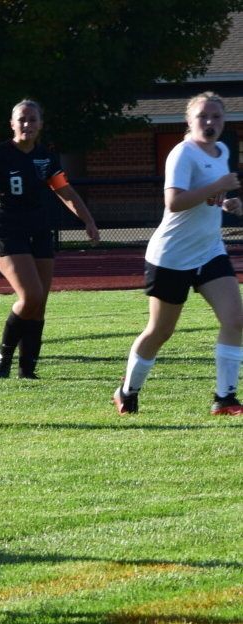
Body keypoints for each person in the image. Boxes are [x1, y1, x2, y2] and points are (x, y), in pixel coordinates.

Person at [0, 99, 99, 379]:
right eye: (22, 119)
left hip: (38, 232)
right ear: (12, 124)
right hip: (5, 231)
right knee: (30, 296)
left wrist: (88, 220)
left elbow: (64, 191)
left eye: (32, 119)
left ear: (41, 124)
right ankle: (3, 355)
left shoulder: (46, 157)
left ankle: (27, 370)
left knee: (40, 303)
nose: (27, 124)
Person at [114, 92, 243, 416]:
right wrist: (217, 187)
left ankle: (225, 398)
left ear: (224, 120)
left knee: (236, 320)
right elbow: (173, 202)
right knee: (161, 331)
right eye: (202, 116)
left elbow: (209, 198)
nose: (210, 122)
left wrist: (227, 202)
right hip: (172, 256)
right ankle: (127, 391)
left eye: (216, 116)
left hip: (209, 251)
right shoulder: (182, 153)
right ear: (189, 121)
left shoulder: (222, 150)